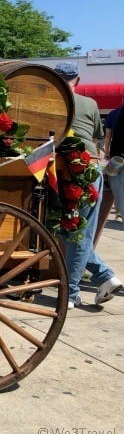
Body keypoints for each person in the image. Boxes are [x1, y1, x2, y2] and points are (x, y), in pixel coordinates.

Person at [54, 62, 122, 308]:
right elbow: (96, 136)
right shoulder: (90, 103)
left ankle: (71, 293)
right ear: (78, 80)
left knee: (68, 231)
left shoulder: (48, 98)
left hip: (57, 170)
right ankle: (104, 276)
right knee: (68, 231)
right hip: (86, 167)